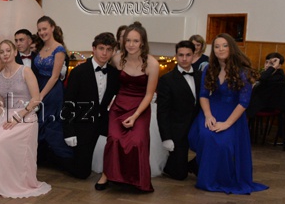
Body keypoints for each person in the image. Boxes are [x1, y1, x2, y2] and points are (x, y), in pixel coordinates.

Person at [188, 34, 268, 194]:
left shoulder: (243, 71)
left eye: (224, 45)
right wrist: (208, 115)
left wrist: (227, 123)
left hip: (233, 113)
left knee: (223, 142)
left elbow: (243, 102)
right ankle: (206, 177)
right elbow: (203, 95)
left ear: (231, 47)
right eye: (217, 46)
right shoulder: (209, 69)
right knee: (204, 135)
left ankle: (222, 179)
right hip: (212, 109)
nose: (220, 49)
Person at [0, 40, 50, 198]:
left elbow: (36, 99)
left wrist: (18, 116)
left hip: (25, 117)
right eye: (2, 52)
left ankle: (16, 183)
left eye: (8, 51)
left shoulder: (25, 71)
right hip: (6, 117)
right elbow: (0, 104)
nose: (5, 54)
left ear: (15, 52)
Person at [97, 23, 159, 192]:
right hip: (119, 106)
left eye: (135, 41)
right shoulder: (116, 59)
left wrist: (136, 115)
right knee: (114, 139)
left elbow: (149, 95)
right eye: (128, 40)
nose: (131, 44)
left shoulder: (152, 64)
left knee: (137, 141)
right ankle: (107, 175)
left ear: (142, 42)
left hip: (140, 107)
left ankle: (136, 180)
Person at [63, 33, 120, 180]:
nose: (104, 53)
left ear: (113, 51)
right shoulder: (79, 72)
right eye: (101, 48)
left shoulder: (114, 74)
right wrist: (69, 131)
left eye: (108, 49)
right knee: (82, 173)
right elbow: (68, 103)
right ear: (93, 49)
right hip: (83, 124)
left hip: (104, 123)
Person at [156, 41, 200, 180]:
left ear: (194, 55)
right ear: (176, 56)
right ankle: (173, 166)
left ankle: (194, 164)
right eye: (181, 55)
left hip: (197, 125)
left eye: (188, 55)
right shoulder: (167, 79)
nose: (184, 58)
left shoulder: (201, 76)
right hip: (177, 129)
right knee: (180, 175)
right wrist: (166, 137)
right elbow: (162, 111)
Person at [33, 17, 72, 165]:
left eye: (45, 29)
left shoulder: (59, 49)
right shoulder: (40, 48)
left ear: (52, 28)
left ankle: (65, 159)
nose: (42, 32)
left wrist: (41, 95)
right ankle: (42, 158)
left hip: (52, 90)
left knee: (48, 123)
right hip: (39, 86)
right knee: (37, 123)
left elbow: (55, 76)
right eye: (39, 30)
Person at [246, 52, 285, 118]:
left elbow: (261, 78)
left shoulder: (279, 76)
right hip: (261, 102)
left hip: (267, 105)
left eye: (271, 64)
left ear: (278, 66)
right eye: (266, 62)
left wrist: (273, 67)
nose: (267, 65)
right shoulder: (267, 74)